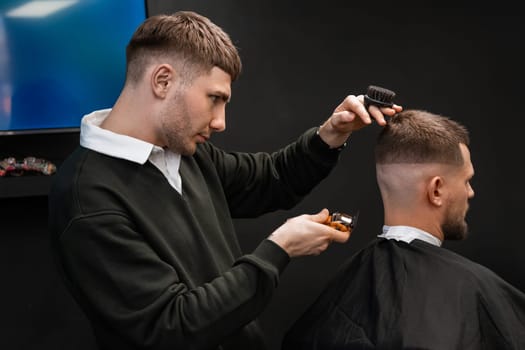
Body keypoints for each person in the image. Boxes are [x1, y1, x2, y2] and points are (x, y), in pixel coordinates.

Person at [47, 11, 402, 350]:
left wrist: (329, 135)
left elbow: (270, 180)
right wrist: (278, 250)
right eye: (214, 99)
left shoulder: (183, 152)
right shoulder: (88, 199)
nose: (220, 122)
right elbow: (172, 328)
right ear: (162, 81)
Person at [281, 109, 525, 349]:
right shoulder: (475, 288)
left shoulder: (338, 291)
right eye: (466, 180)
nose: (470, 192)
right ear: (436, 190)